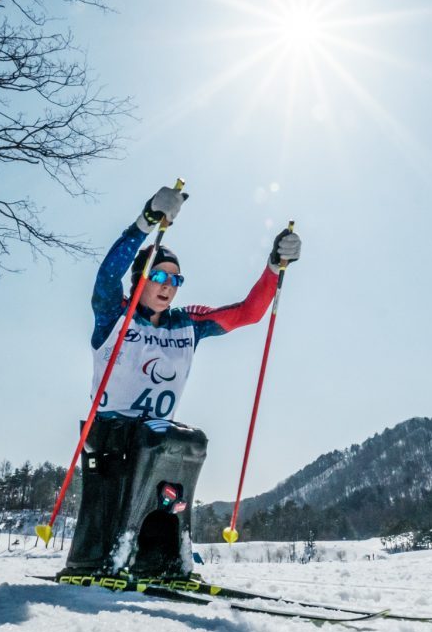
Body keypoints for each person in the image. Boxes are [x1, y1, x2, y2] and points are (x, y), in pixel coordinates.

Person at [61, 185, 301, 579]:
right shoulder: (113, 314)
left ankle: (164, 555)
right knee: (148, 454)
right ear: (140, 277)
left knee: (186, 444)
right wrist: (146, 220)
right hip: (108, 433)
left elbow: (247, 314)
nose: (167, 285)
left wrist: (274, 267)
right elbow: (107, 274)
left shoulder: (186, 323)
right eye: (157, 275)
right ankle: (110, 555)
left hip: (155, 434)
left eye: (175, 279)